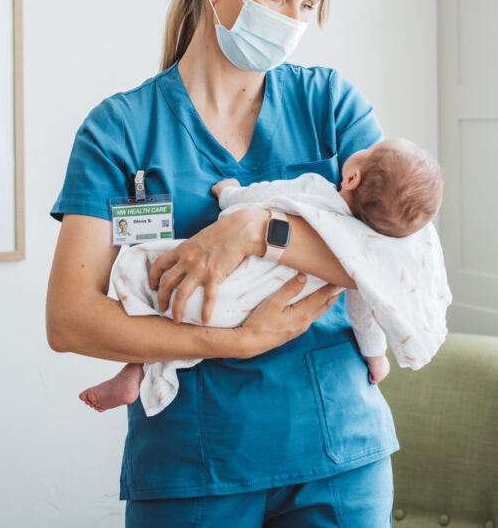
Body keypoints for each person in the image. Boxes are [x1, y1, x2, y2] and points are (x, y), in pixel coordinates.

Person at [46, 0, 405, 526]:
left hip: (338, 452)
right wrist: (234, 342)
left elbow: (397, 255)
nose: (294, 20)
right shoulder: (122, 132)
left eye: (308, 4)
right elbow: (71, 318)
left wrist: (255, 230)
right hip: (193, 465)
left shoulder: (330, 105)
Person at [80, 137, 450, 417]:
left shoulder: (314, 190)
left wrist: (229, 194)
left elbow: (256, 199)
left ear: (352, 177)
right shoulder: (363, 261)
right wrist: (376, 357)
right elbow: (366, 310)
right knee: (185, 326)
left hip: (213, 286)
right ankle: (137, 374)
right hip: (248, 312)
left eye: (369, 150)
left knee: (156, 292)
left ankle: (134, 368)